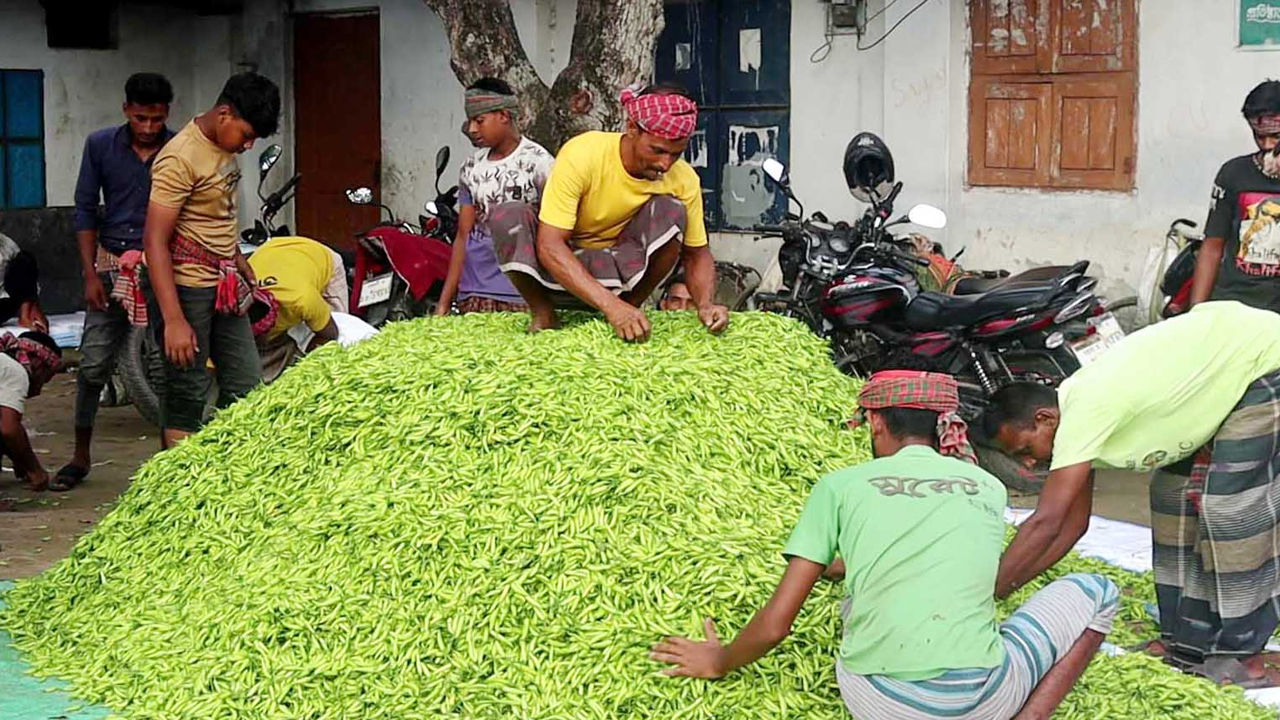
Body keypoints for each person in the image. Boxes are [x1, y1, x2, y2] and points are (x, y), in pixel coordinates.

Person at [652, 371, 1117, 720]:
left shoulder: (839, 487)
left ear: (875, 422)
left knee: (859, 602)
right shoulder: (988, 487)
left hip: (877, 703)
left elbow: (775, 626)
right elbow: (930, 536)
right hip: (982, 703)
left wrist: (719, 660)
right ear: (942, 426)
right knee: (1099, 591)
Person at [985, 300, 1280, 686]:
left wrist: (984, 597)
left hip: (1265, 359)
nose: (1028, 463)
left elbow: (1047, 521)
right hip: (1222, 370)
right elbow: (1073, 526)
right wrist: (1008, 588)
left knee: (1229, 509)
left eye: (1025, 448)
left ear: (1045, 418)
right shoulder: (1075, 424)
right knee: (1171, 496)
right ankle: (1186, 640)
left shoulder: (1085, 410)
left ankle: (1244, 652)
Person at [489, 82, 729, 342]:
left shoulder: (684, 179)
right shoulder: (583, 153)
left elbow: (696, 254)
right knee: (507, 215)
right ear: (632, 128)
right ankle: (544, 312)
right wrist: (611, 307)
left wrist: (705, 304)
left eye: (676, 154)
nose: (665, 164)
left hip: (621, 272)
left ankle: (631, 308)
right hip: (557, 270)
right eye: (657, 150)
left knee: (671, 210)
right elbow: (550, 246)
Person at [141, 72, 280, 447]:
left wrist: (235, 257)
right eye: (247, 134)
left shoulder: (225, 147)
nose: (248, 146)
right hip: (185, 287)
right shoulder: (180, 158)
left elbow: (213, 213)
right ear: (224, 114)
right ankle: (178, 478)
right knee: (186, 392)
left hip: (222, 284)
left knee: (247, 386)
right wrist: (174, 320)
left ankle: (229, 468)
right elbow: (154, 241)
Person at [58, 72, 175, 490]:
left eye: (156, 119)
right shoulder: (99, 145)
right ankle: (80, 457)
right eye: (141, 118)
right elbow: (85, 210)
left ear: (167, 114)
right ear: (126, 110)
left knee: (166, 366)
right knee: (92, 366)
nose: (148, 127)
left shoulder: (179, 148)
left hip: (161, 268)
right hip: (109, 266)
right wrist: (90, 274)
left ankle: (170, 459)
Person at [436, 78, 551, 316]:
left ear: (504, 116)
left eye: (479, 121)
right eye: (470, 121)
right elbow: (463, 236)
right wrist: (444, 303)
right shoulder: (470, 168)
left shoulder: (539, 163)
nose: (472, 129)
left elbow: (552, 234)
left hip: (523, 293)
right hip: (475, 291)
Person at [1190, 80, 1280, 312]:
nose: (1267, 145)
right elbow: (1213, 245)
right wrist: (1196, 313)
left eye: (1276, 136)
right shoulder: (1233, 174)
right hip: (1234, 303)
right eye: (1259, 136)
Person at [247, 236, 348, 382]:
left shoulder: (301, 299)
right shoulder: (237, 295)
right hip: (271, 250)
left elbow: (331, 334)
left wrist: (304, 367)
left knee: (338, 344)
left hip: (317, 255)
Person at [0, 331, 63, 492]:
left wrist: (20, 460)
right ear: (39, 364)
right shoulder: (15, 371)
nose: (40, 388)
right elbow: (9, 430)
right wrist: (35, 470)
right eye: (46, 377)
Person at [0, 230, 47, 332]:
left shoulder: (6, 244)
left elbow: (26, 276)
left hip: (3, 304)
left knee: (25, 259)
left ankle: (25, 317)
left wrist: (34, 305)